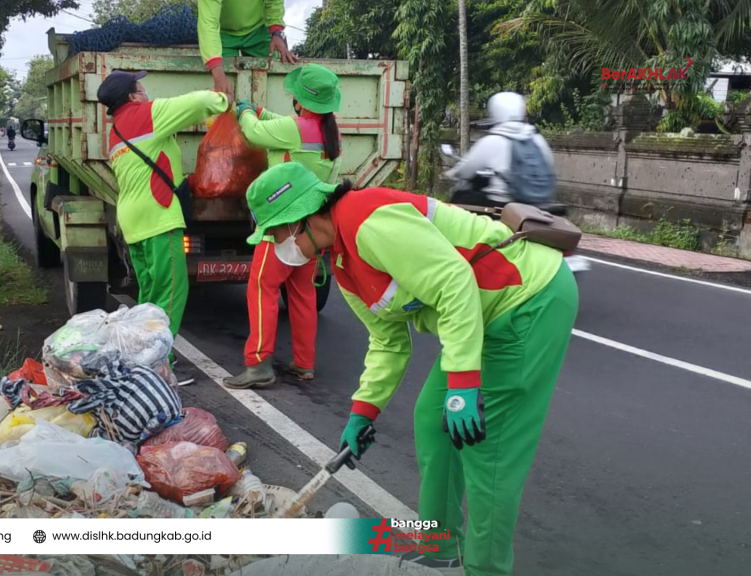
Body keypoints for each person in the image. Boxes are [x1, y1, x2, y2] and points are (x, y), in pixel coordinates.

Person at [243, 162, 578, 576]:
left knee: (487, 451)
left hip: (527, 299)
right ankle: (440, 545)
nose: (276, 246)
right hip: (480, 317)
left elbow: (455, 283)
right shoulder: (344, 264)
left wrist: (463, 386)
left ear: (301, 218)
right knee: (431, 419)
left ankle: (485, 569)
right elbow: (387, 342)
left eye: (276, 235)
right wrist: (362, 412)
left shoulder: (368, 221)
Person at [223, 64, 343, 389]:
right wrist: (263, 111)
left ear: (302, 101)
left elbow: (253, 133)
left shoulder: (294, 128)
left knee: (261, 288)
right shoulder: (332, 135)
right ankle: (304, 364)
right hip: (313, 229)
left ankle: (258, 364)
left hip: (284, 226)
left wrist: (246, 110)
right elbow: (287, 127)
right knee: (302, 293)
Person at [97, 70, 228, 361]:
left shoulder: (116, 129)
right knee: (170, 296)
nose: (146, 91)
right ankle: (158, 366)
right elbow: (200, 102)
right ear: (133, 96)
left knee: (149, 301)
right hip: (157, 217)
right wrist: (224, 99)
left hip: (132, 222)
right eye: (141, 87)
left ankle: (140, 360)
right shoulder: (146, 114)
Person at [444, 91, 555, 207]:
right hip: (541, 202)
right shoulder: (537, 138)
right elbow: (550, 165)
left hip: (503, 202)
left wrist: (452, 172)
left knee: (460, 196)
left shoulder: (493, 140)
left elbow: (466, 170)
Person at [197, 0, 299, 103]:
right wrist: (219, 77)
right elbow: (208, 23)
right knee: (224, 89)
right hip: (223, 35)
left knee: (275, 75)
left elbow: (274, 2)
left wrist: (277, 33)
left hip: (258, 30)